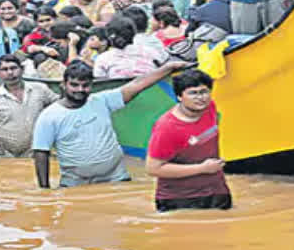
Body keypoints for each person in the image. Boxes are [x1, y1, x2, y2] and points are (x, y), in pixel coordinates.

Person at [32, 58, 189, 189]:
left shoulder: (102, 100)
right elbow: (41, 153)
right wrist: (45, 192)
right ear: (63, 85)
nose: (80, 89)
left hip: (115, 176)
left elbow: (137, 85)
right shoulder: (49, 116)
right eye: (74, 85)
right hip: (75, 182)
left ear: (91, 85)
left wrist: (168, 67)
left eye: (85, 85)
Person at [145, 69, 232, 212]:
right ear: (179, 96)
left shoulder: (210, 107)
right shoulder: (167, 127)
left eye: (204, 91)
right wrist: (202, 168)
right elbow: (153, 168)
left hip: (217, 190)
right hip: (178, 199)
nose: (201, 98)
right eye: (193, 93)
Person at [0, 54, 59, 158]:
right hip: (5, 156)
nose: (10, 73)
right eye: (4, 69)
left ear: (22, 69)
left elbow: (60, 106)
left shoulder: (40, 89)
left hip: (38, 153)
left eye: (13, 68)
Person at [92, 16, 162, 79]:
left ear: (109, 37)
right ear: (134, 33)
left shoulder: (102, 59)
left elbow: (100, 85)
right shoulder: (152, 52)